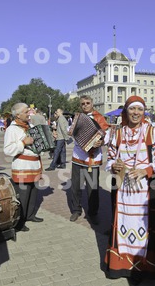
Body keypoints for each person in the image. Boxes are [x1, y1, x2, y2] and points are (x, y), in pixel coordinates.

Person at [104, 96, 155, 283]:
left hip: (146, 189)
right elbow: (109, 158)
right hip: (123, 190)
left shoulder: (151, 131)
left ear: (144, 112)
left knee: (144, 226)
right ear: (126, 111)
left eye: (140, 110)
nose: (136, 113)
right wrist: (113, 166)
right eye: (132, 109)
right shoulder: (118, 132)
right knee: (123, 223)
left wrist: (146, 170)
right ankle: (120, 266)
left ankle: (145, 268)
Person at [69, 95, 109, 224]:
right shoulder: (76, 118)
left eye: (87, 103)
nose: (85, 105)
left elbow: (107, 135)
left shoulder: (99, 118)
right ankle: (76, 210)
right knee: (75, 186)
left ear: (92, 104)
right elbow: (70, 132)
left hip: (93, 157)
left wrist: (101, 143)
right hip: (78, 156)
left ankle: (93, 212)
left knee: (92, 187)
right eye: (82, 104)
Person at [4, 103, 44, 232]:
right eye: (26, 112)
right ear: (17, 115)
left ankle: (30, 215)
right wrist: (23, 142)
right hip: (22, 166)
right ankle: (19, 222)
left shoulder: (30, 126)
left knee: (33, 192)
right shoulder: (12, 129)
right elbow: (8, 150)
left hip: (34, 165)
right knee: (23, 195)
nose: (29, 114)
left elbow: (37, 143)